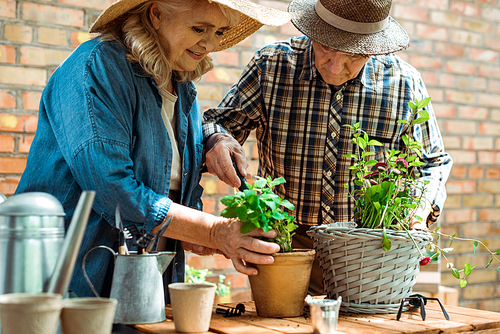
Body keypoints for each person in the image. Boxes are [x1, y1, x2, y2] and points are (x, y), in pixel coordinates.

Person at [15, 0, 291, 301]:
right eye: (199, 28)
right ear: (156, 15)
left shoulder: (180, 86)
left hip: (143, 293)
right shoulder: (97, 67)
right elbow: (113, 189)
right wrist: (214, 232)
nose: (210, 43)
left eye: (220, 32)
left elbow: (175, 184)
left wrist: (206, 236)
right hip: (71, 284)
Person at [203, 0, 453, 295]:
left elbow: (432, 163)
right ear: (313, 31)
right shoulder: (271, 66)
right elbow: (217, 123)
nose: (335, 66)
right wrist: (217, 139)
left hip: (368, 251)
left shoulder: (404, 84)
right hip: (285, 244)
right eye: (326, 48)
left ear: (373, 48)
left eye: (353, 56)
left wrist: (420, 207)